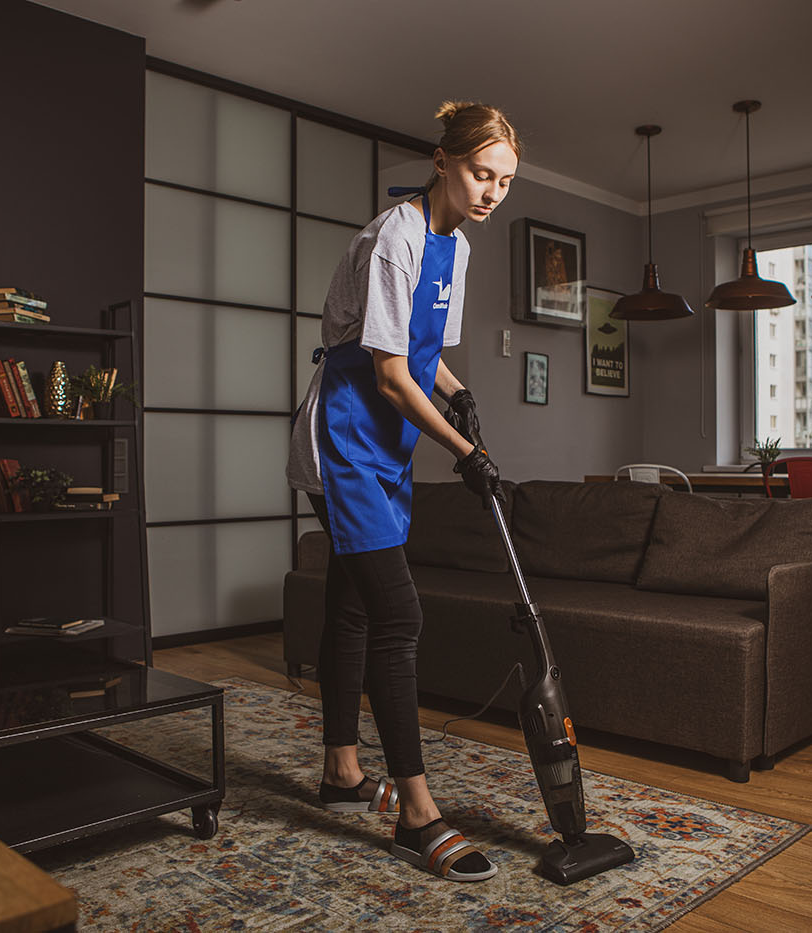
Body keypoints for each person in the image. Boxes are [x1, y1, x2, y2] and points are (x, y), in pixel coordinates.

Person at [286, 100, 520, 882]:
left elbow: (421, 356)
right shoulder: (396, 237)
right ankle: (419, 816)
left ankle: (341, 771)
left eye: (505, 181)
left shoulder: (455, 248)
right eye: (481, 173)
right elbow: (385, 371)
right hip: (348, 435)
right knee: (398, 612)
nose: (492, 192)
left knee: (353, 603)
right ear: (443, 161)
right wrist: (465, 450)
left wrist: (460, 393)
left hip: (390, 440)